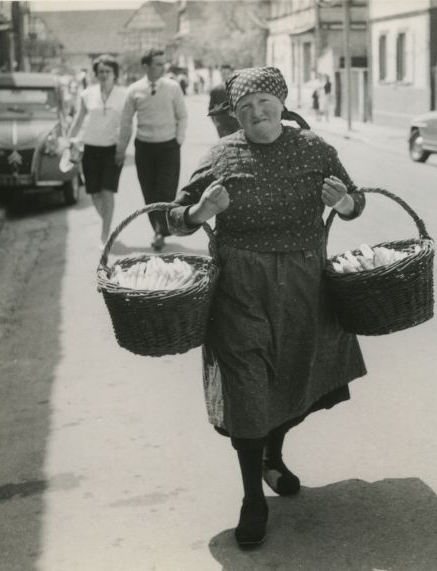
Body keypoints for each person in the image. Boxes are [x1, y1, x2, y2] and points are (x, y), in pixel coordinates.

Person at [166, 67, 367, 548]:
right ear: (234, 115)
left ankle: (271, 458)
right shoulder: (222, 154)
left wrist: (344, 205)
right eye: (245, 108)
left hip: (303, 286)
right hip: (241, 287)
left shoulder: (316, 149)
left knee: (291, 376)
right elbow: (174, 216)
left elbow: (357, 200)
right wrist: (199, 213)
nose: (257, 113)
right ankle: (251, 497)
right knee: (247, 386)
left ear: (281, 102)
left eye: (264, 103)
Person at [116, 48, 187, 251]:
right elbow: (126, 122)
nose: (162, 67)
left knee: (166, 190)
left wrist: (178, 140)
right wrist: (121, 149)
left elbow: (182, 115)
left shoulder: (173, 87)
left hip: (169, 146)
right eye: (157, 64)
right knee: (149, 191)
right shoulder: (134, 90)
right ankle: (158, 228)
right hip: (144, 147)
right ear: (145, 66)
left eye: (163, 63)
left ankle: (160, 231)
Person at [67, 54, 127, 247]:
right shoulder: (87, 95)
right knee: (94, 194)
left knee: (107, 192)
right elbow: (78, 121)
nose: (104, 74)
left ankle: (105, 235)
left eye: (108, 71)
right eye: (100, 71)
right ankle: (108, 223)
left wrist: (122, 147)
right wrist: (68, 141)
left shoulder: (123, 95)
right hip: (90, 149)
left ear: (114, 74)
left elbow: (126, 125)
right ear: (96, 74)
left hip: (112, 150)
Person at [207, 64, 240, 138]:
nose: (226, 76)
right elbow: (211, 108)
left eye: (228, 74)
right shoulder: (215, 90)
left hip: (238, 124)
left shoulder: (239, 88)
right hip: (223, 125)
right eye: (223, 74)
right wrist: (216, 123)